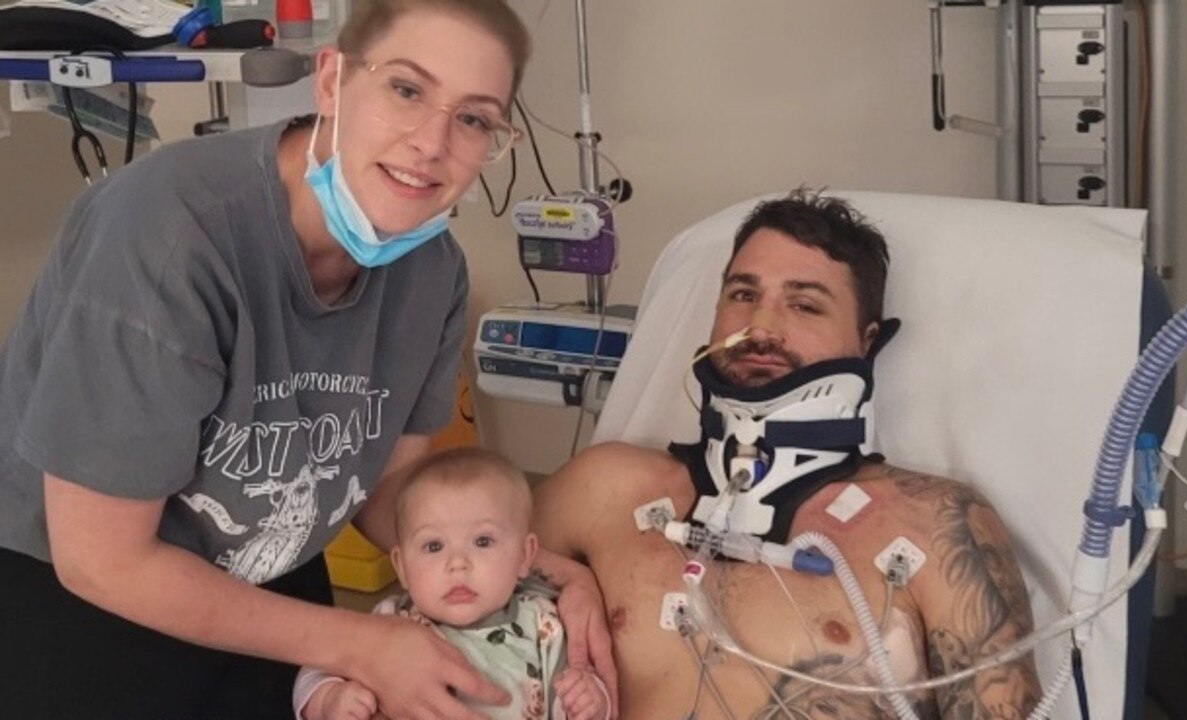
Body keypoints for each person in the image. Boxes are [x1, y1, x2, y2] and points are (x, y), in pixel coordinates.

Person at [0, 1, 614, 718]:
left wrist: (534, 569)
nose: (432, 142)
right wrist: (358, 644)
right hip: (87, 608)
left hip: (274, 578)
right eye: (406, 90)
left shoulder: (430, 273)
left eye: (474, 118)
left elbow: (394, 491)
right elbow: (102, 560)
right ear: (331, 80)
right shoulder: (169, 238)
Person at [534, 189, 1043, 718]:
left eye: (804, 304)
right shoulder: (604, 488)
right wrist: (562, 576)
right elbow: (455, 585)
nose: (761, 328)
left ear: (866, 341)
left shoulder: (934, 524)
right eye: (742, 295)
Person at [295, 448, 610, 720]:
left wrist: (591, 700)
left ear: (524, 555)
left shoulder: (544, 625)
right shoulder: (391, 622)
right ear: (401, 567)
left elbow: (576, 698)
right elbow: (316, 670)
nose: (457, 563)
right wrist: (328, 700)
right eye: (434, 546)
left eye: (482, 541)